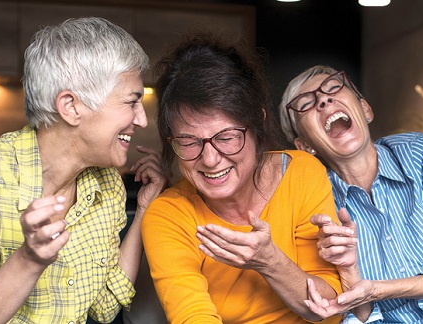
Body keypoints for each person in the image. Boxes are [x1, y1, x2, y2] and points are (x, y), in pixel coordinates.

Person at [0, 17, 166, 323]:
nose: (142, 120)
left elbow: (104, 307)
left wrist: (144, 210)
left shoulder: (106, 184)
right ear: (71, 106)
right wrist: (30, 258)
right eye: (132, 102)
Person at [278, 64, 423, 323]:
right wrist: (349, 272)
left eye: (333, 88)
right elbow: (359, 316)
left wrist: (377, 290)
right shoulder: (316, 207)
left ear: (365, 110)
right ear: (305, 145)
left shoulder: (422, 154)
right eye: (306, 103)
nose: (324, 100)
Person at [141, 34, 343, 324]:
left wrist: (270, 262)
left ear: (257, 123)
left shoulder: (301, 173)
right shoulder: (169, 215)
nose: (210, 160)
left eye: (227, 137)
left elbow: (329, 306)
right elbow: (192, 317)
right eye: (188, 142)